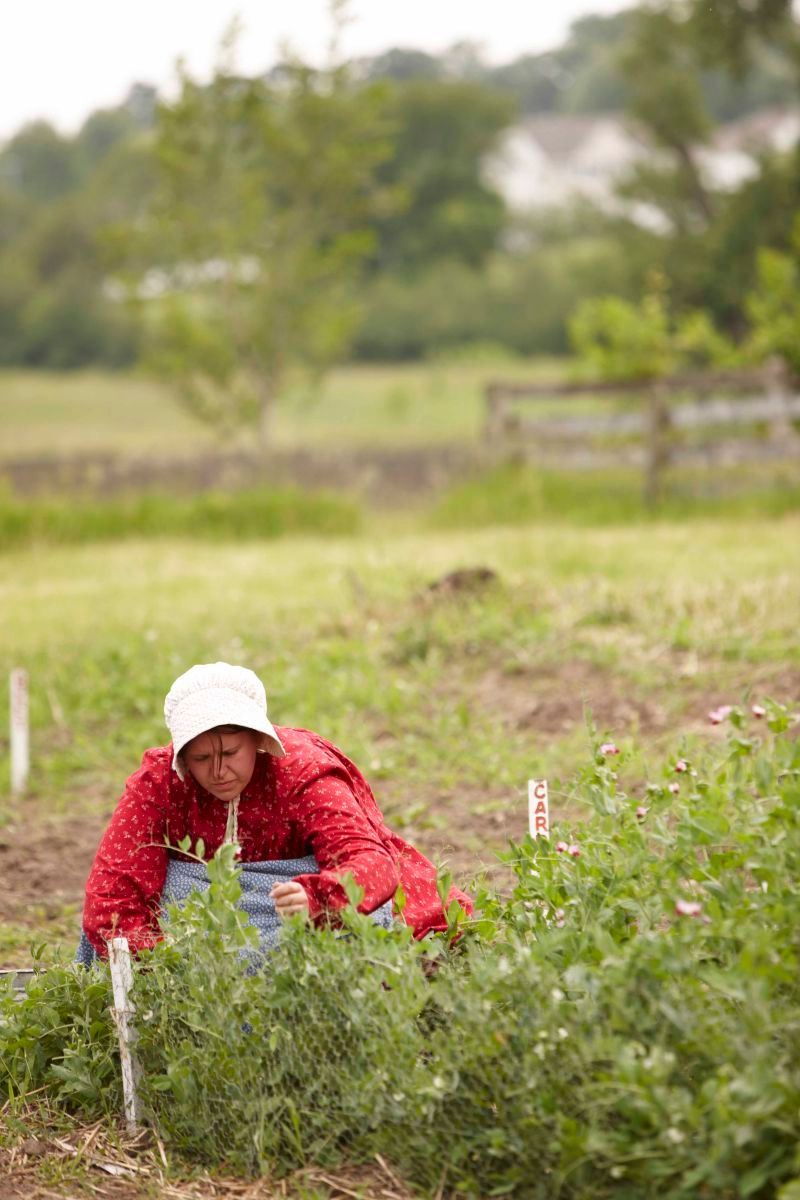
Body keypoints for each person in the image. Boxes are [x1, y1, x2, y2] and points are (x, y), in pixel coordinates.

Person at [81, 661, 473, 959]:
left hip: (298, 914)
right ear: (182, 755)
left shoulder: (301, 771)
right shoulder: (159, 784)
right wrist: (164, 974)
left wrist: (319, 898)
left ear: (257, 740)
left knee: (365, 921)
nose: (219, 771)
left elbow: (370, 862)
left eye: (231, 752)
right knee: (168, 889)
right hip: (205, 934)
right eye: (201, 758)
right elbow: (111, 899)